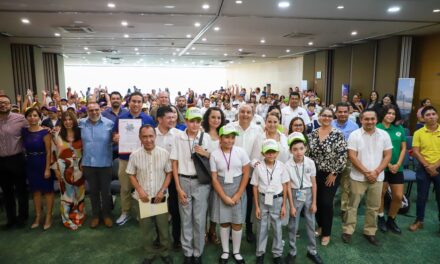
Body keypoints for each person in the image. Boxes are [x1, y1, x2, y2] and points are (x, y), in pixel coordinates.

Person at [342, 109, 392, 246]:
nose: (369, 121)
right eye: (366, 119)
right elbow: (352, 156)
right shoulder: (354, 135)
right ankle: (348, 230)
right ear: (361, 120)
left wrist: (376, 172)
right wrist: (366, 172)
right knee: (353, 206)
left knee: (373, 207)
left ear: (376, 120)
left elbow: (388, 155)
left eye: (372, 119)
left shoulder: (384, 135)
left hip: (377, 177)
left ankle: (370, 232)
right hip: (357, 177)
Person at [170, 107, 212, 264]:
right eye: (191, 121)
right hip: (183, 180)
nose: (194, 125)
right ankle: (187, 252)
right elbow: (174, 163)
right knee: (186, 218)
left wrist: (204, 153)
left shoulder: (205, 137)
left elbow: (212, 157)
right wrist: (178, 187)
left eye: (197, 121)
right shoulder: (178, 137)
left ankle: (198, 252)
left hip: (201, 182)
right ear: (186, 121)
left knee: (199, 219)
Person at [126, 125, 173, 264]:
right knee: (146, 230)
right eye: (144, 136)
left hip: (160, 198)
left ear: (155, 137)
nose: (148, 140)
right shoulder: (134, 155)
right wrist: (140, 190)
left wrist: (162, 191)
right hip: (144, 199)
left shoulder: (164, 153)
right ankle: (149, 254)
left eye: (151, 136)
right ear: (140, 138)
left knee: (163, 229)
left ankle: (165, 252)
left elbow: (169, 173)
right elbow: (131, 174)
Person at [113, 92, 156, 226]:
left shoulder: (148, 119)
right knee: (125, 187)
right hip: (125, 159)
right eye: (133, 101)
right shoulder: (121, 118)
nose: (136, 104)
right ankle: (125, 212)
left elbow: (153, 137)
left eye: (139, 101)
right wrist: (115, 138)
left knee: (143, 187)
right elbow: (114, 134)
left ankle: (141, 213)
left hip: (143, 158)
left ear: (142, 103)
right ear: (128, 102)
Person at [210, 124, 250, 264]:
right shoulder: (214, 154)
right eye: (226, 137)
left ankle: (236, 251)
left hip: (237, 189)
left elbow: (246, 174)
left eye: (232, 137)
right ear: (220, 138)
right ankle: (226, 250)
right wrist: (224, 197)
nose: (230, 140)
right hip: (221, 191)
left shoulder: (241, 152)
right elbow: (214, 178)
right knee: (224, 221)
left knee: (237, 222)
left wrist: (238, 194)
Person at [308, 108, 347, 246]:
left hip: (331, 173)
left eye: (329, 116)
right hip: (314, 173)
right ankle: (320, 226)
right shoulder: (312, 134)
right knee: (316, 201)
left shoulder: (338, 134)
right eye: (324, 115)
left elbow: (342, 156)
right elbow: (308, 154)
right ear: (319, 116)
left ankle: (327, 233)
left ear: (333, 117)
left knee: (326, 202)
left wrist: (334, 173)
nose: (326, 118)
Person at [285, 132, 323, 264]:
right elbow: (288, 186)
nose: (298, 152)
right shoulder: (287, 164)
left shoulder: (310, 162)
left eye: (301, 148)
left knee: (311, 223)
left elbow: (313, 183)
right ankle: (292, 251)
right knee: (293, 224)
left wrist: (314, 203)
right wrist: (291, 205)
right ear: (290, 150)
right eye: (295, 149)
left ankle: (312, 250)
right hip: (295, 193)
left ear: (305, 148)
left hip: (308, 193)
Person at [251, 139, 289, 264]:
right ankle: (260, 252)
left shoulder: (282, 167)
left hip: (277, 199)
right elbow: (255, 187)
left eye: (273, 152)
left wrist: (284, 205)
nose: (270, 154)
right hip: (262, 199)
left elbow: (285, 186)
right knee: (262, 226)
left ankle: (277, 253)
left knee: (277, 227)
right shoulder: (258, 167)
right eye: (268, 152)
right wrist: (256, 207)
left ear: (277, 153)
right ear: (263, 153)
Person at [231, 104, 264, 242]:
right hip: (232, 172)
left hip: (250, 173)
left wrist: (251, 163)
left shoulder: (257, 130)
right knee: (233, 201)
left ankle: (249, 229)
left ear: (253, 114)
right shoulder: (230, 127)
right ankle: (233, 230)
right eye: (242, 112)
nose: (245, 115)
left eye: (248, 112)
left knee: (250, 202)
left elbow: (257, 153)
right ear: (238, 113)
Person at [79, 101, 114, 228]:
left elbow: (116, 139)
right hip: (88, 163)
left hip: (105, 163)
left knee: (105, 192)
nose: (94, 112)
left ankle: (106, 215)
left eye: (96, 110)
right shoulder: (81, 123)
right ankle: (95, 215)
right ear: (87, 111)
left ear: (100, 110)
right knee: (93, 192)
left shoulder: (109, 124)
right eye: (91, 110)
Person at [409, 106, 440, 234]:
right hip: (423, 168)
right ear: (423, 118)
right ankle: (419, 221)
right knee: (422, 196)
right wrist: (428, 166)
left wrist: (435, 166)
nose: (431, 116)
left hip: (439, 167)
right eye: (428, 115)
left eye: (433, 114)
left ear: (437, 116)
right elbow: (416, 152)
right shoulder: (418, 133)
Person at [0, 94, 29, 229]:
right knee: (7, 192)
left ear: (10, 105)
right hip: (1, 161)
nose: (2, 104)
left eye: (5, 102)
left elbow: (32, 130)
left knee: (21, 190)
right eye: (0, 103)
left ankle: (22, 218)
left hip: (17, 159)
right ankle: (10, 219)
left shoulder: (20, 119)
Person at [376, 105, 406, 234]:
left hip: (397, 168)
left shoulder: (399, 128)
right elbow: (376, 150)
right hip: (382, 167)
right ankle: (381, 217)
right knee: (381, 194)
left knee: (398, 196)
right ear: (383, 114)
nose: (391, 115)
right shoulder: (377, 128)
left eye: (393, 114)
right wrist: (388, 164)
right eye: (388, 113)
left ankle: (391, 219)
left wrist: (398, 164)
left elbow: (403, 148)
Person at [54, 111, 85, 230]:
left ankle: (79, 215)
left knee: (80, 193)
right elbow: (54, 153)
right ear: (62, 121)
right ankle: (67, 219)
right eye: (65, 120)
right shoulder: (57, 134)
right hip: (63, 167)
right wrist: (56, 170)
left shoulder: (81, 133)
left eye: (70, 119)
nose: (68, 122)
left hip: (80, 166)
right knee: (67, 194)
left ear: (74, 120)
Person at [155, 106, 182, 248]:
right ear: (159, 119)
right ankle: (159, 238)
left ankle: (177, 239)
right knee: (158, 210)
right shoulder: (151, 134)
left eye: (173, 117)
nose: (172, 120)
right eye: (169, 117)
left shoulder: (179, 134)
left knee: (175, 210)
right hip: (156, 178)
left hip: (174, 178)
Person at [22, 108, 53, 230]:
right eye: (29, 116)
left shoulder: (45, 132)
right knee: (35, 191)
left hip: (42, 162)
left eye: (35, 115)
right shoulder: (24, 131)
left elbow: (49, 152)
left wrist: (47, 169)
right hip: (30, 163)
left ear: (39, 117)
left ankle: (48, 217)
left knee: (48, 191)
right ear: (26, 118)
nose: (32, 118)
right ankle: (38, 216)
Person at [201, 107, 226, 245]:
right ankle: (203, 231)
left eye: (219, 118)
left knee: (216, 205)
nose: (216, 120)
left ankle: (212, 230)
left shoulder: (224, 134)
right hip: (204, 175)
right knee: (203, 205)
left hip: (220, 176)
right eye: (213, 117)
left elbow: (225, 155)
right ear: (207, 118)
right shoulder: (201, 133)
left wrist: (208, 154)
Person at [331, 102, 359, 219]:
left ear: (349, 113)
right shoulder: (330, 124)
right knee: (330, 185)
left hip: (348, 160)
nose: (342, 114)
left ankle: (344, 209)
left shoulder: (354, 127)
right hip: (331, 161)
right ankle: (328, 208)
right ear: (336, 112)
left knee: (346, 186)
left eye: (345, 112)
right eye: (340, 112)